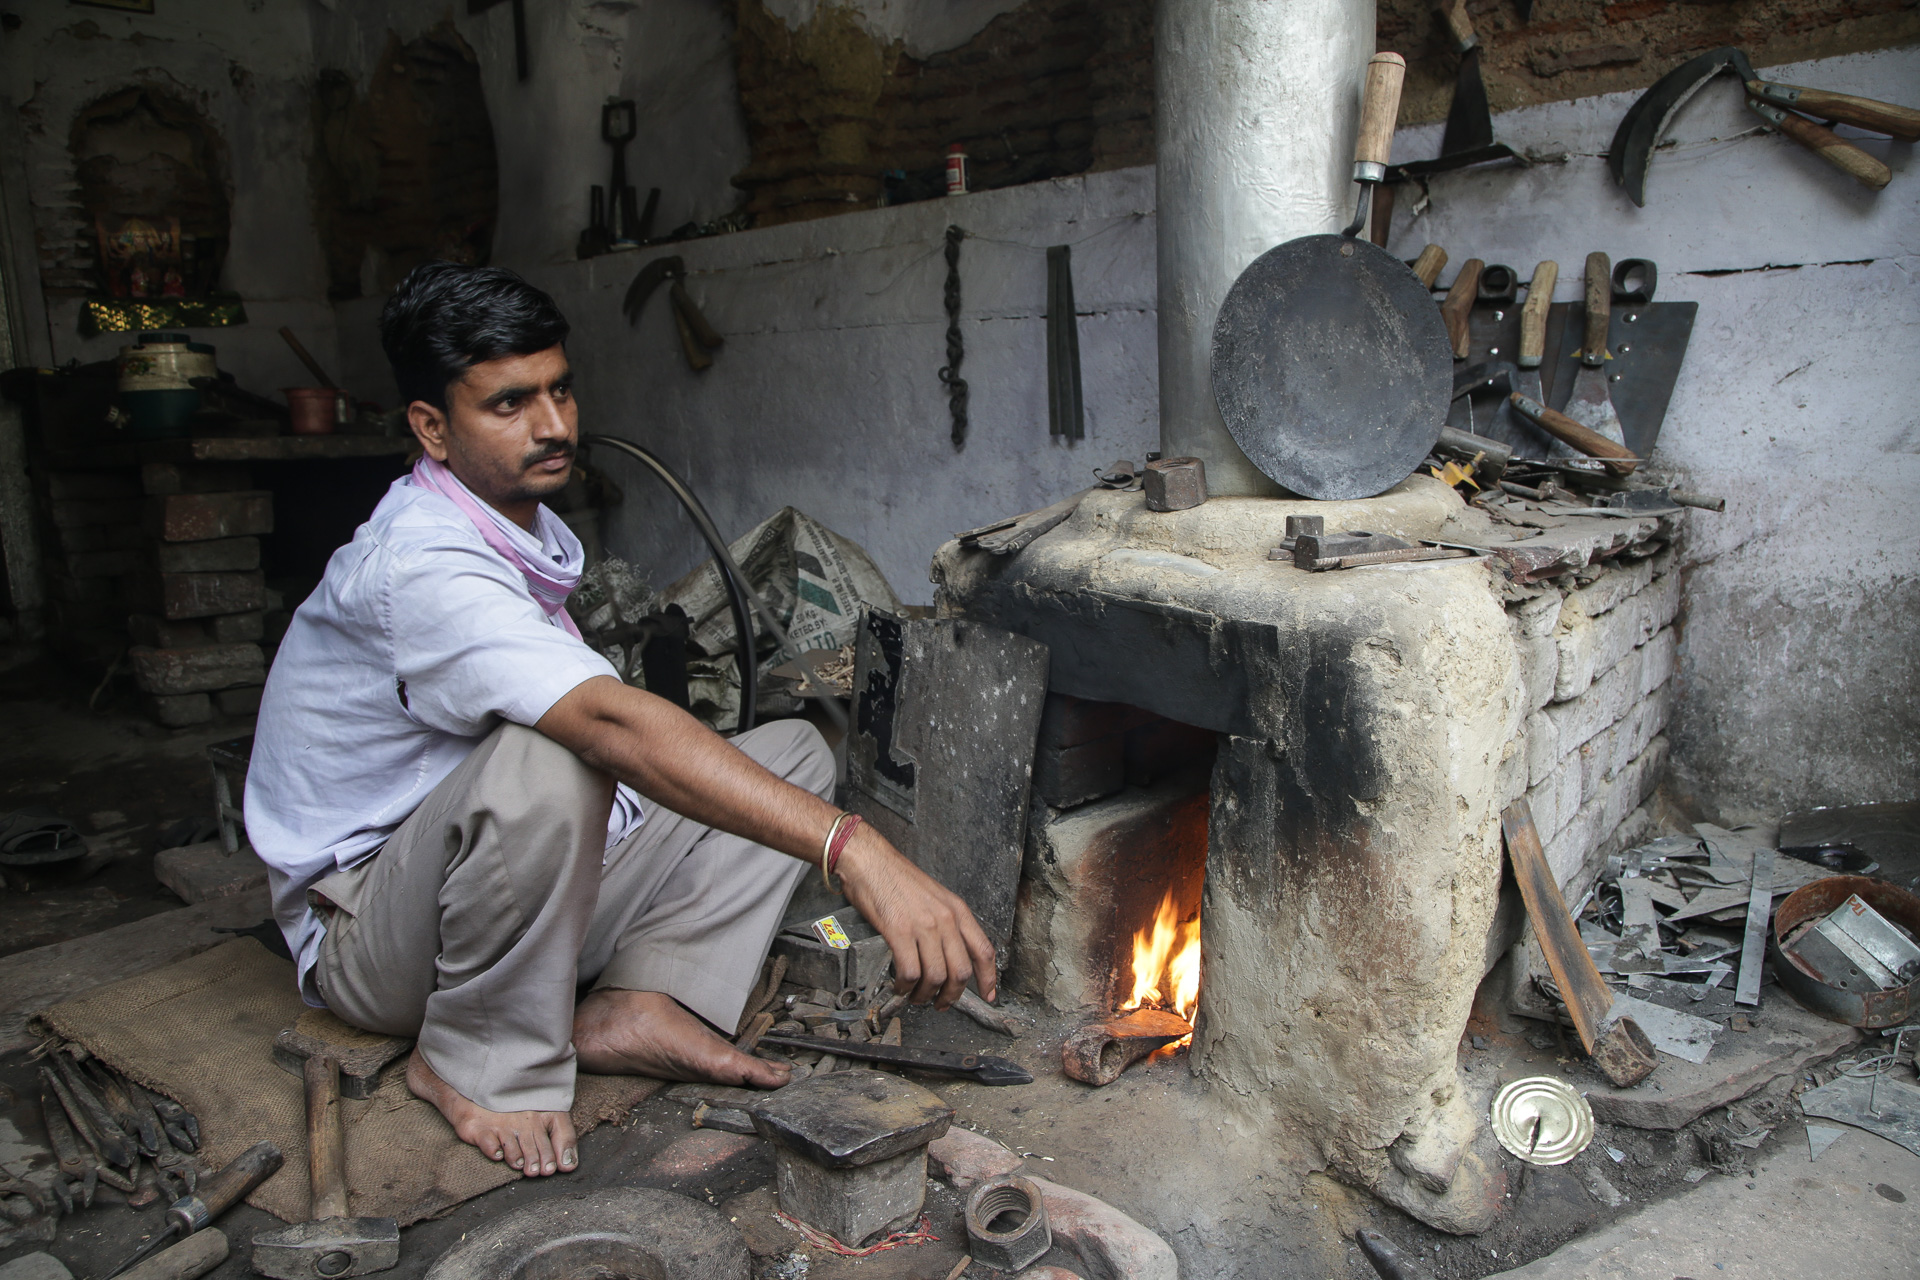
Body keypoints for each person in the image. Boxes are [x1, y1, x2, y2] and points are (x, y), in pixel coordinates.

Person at [246, 262, 995, 1180]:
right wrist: (858, 851)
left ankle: (642, 998)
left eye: (559, 388)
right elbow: (609, 724)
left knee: (794, 750)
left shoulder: (504, 523)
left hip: (482, 897)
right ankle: (473, 1058)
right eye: (509, 404)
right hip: (375, 937)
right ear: (432, 429)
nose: (555, 425)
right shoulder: (419, 564)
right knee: (562, 750)